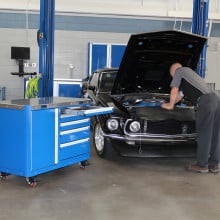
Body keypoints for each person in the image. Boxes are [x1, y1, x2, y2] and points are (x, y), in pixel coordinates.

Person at [161, 62, 220, 173]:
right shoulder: (190, 75)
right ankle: (214, 164)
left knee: (204, 134)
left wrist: (170, 105)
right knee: (215, 134)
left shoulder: (180, 71)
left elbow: (174, 90)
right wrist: (169, 101)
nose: (174, 78)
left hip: (205, 102)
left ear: (173, 71)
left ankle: (202, 165)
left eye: (172, 76)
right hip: (216, 99)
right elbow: (179, 95)